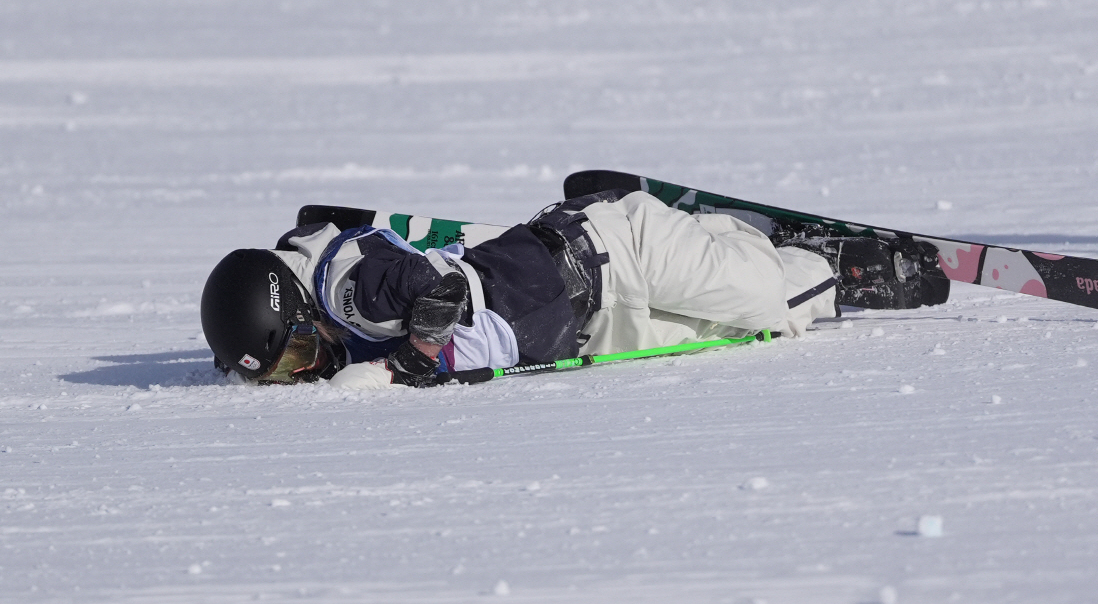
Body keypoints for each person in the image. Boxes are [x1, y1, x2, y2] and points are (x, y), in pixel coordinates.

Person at [200, 189, 847, 389]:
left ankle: (831, 265)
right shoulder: (340, 314)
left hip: (619, 252)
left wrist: (415, 356)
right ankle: (743, 247)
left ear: (302, 310)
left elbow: (438, 296)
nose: (305, 372)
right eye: (287, 372)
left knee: (776, 301)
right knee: (750, 333)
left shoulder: (357, 288)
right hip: (595, 320)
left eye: (295, 356)